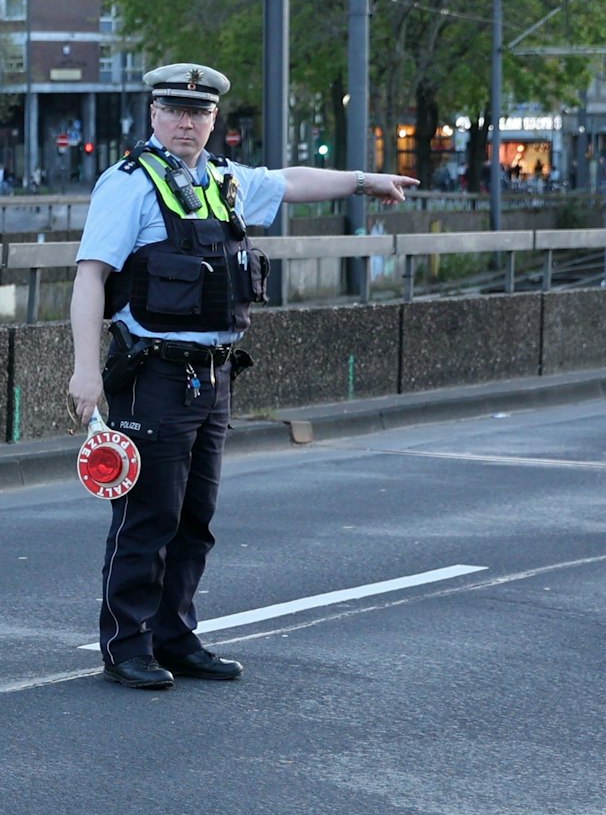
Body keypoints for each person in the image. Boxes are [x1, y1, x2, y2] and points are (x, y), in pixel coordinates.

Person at [68, 62, 418, 690]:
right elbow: (90, 276)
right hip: (153, 375)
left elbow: (290, 182)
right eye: (174, 110)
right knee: (148, 517)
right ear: (153, 113)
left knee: (195, 518)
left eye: (199, 112)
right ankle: (127, 644)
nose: (186, 122)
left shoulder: (222, 180)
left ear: (213, 120)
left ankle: (175, 637)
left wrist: (365, 181)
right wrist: (86, 370)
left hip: (213, 377)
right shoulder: (127, 185)